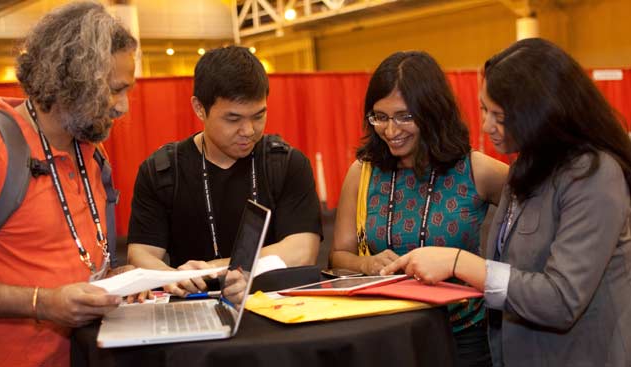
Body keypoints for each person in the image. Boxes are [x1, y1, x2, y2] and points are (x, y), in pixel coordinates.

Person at [382, 38, 631, 367]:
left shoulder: (593, 175)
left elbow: (561, 299)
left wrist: (460, 264)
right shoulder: (527, 164)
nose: (486, 126)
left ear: (543, 111)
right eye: (484, 109)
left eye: (499, 115)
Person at [0, 2, 139, 365]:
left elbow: (68, 262)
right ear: (73, 82)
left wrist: (114, 279)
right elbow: (48, 291)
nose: (123, 107)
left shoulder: (91, 152)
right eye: (114, 90)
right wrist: (42, 303)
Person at [330, 51, 508, 367]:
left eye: (404, 116)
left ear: (432, 112)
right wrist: (366, 264)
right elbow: (338, 255)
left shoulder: (475, 170)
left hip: (464, 341)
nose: (390, 130)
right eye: (380, 117)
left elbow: (541, 205)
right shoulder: (364, 172)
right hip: (385, 338)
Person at [127, 46, 323, 296]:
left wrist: (213, 268)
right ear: (199, 108)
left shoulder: (286, 164)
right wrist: (176, 278)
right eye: (233, 119)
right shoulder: (162, 171)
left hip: (274, 306)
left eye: (258, 115)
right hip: (193, 308)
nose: (248, 130)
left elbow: (302, 250)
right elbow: (141, 253)